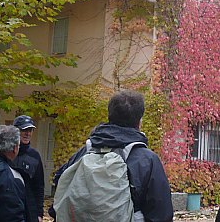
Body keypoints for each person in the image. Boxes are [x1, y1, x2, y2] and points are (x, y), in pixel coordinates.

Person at [49, 89, 173, 222]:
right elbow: (161, 214)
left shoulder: (85, 151)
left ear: (109, 116)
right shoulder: (147, 160)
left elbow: (60, 186)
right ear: (139, 121)